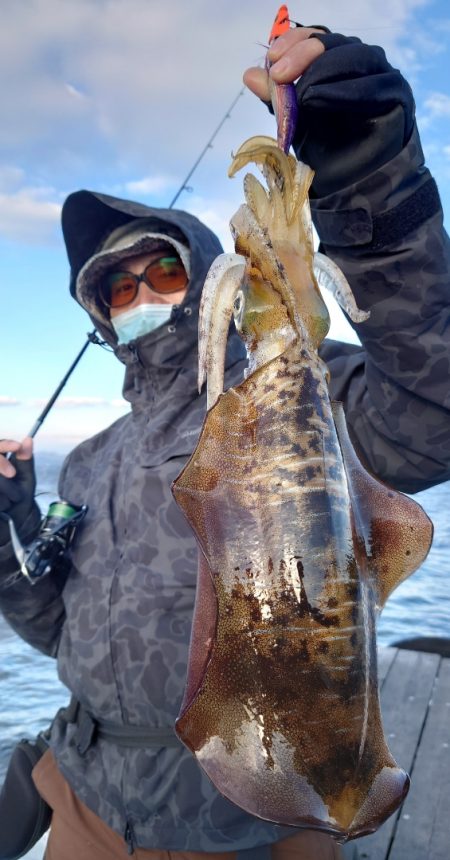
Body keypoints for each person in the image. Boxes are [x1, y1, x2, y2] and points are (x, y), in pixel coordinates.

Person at [0, 24, 449, 860]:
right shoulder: (92, 459)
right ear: (98, 315)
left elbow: (430, 412)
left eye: (160, 269)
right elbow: (55, 630)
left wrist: (373, 187)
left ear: (205, 273)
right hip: (90, 806)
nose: (138, 292)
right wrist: (4, 530)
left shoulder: (292, 395)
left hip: (249, 818)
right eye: (114, 285)